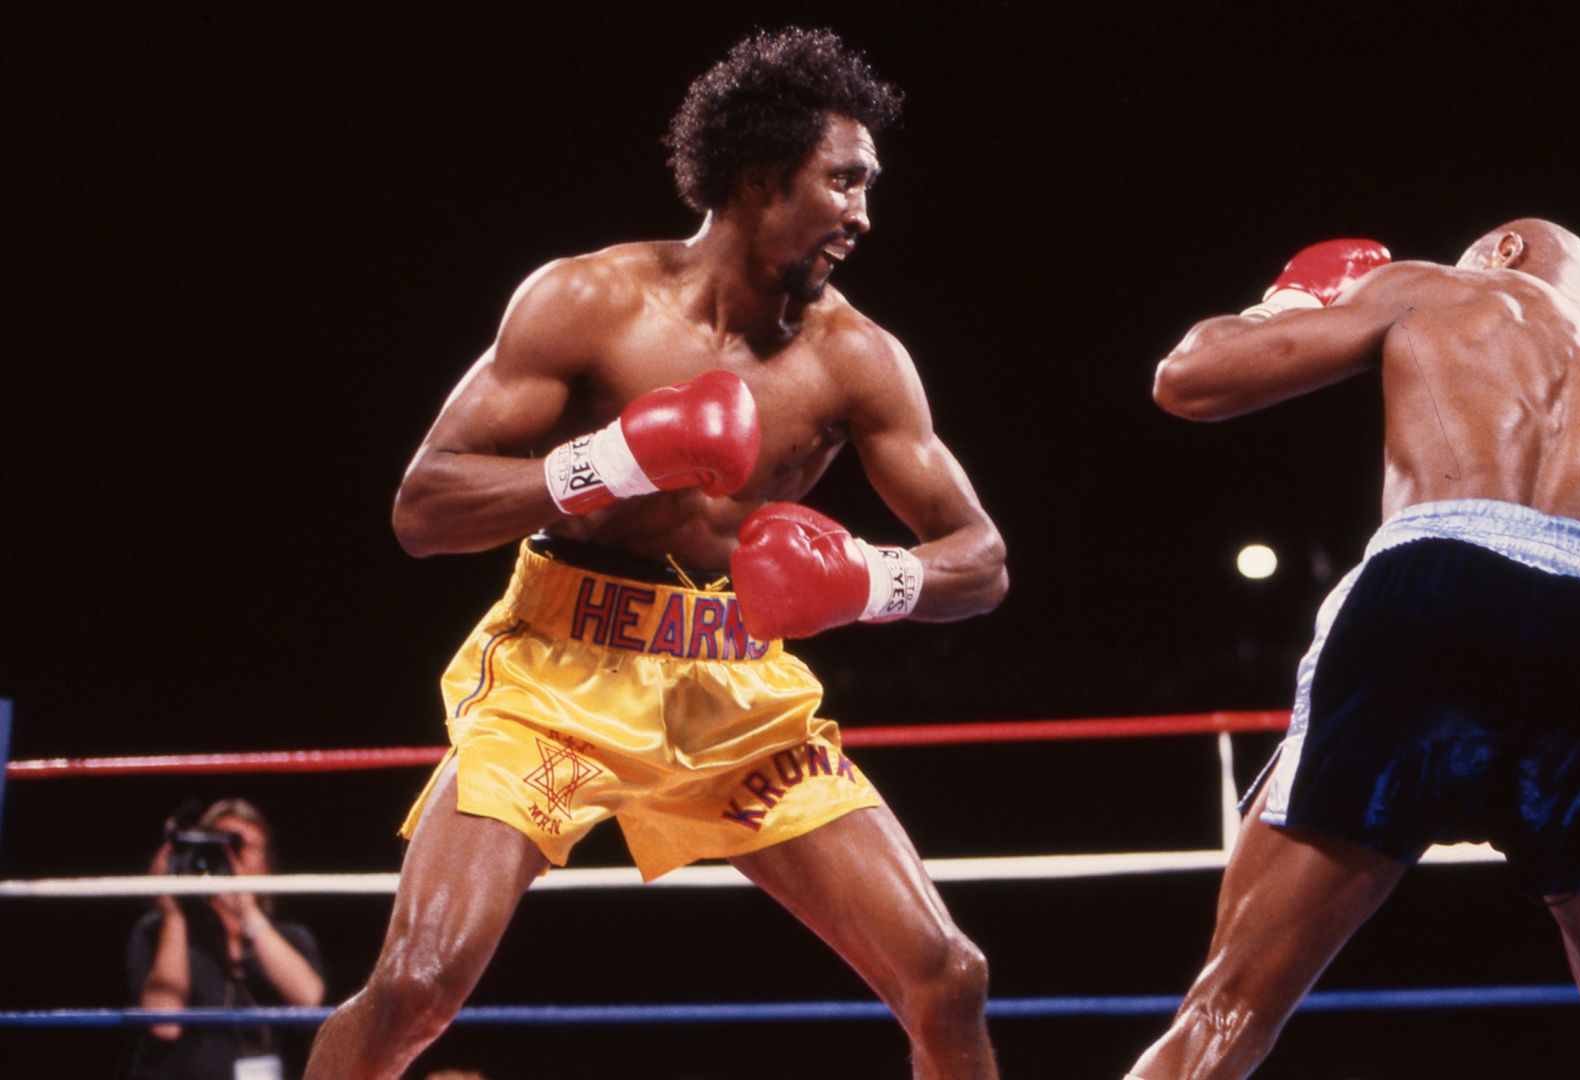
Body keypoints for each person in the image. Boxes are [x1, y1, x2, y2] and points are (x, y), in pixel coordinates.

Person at [306, 29, 1006, 1079]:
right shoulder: (589, 302)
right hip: (559, 675)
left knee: (947, 978)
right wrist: (604, 467)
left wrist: (870, 578)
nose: (865, 213)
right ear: (762, 177)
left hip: (736, 690)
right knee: (414, 985)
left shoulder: (856, 358)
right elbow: (424, 506)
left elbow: (982, 561)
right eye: (844, 181)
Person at [1127, 221, 1580, 1079]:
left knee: (1228, 1004)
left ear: (1503, 251)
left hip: (1434, 587)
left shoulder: (1441, 286)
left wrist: (1290, 299)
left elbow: (1190, 381)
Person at [126, 798, 326, 1080]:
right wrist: (174, 913)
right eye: (221, 844)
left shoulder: (290, 937)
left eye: (246, 846)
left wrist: (246, 910)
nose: (233, 856)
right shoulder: (157, 931)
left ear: (268, 864)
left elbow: (310, 1000)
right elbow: (164, 1023)